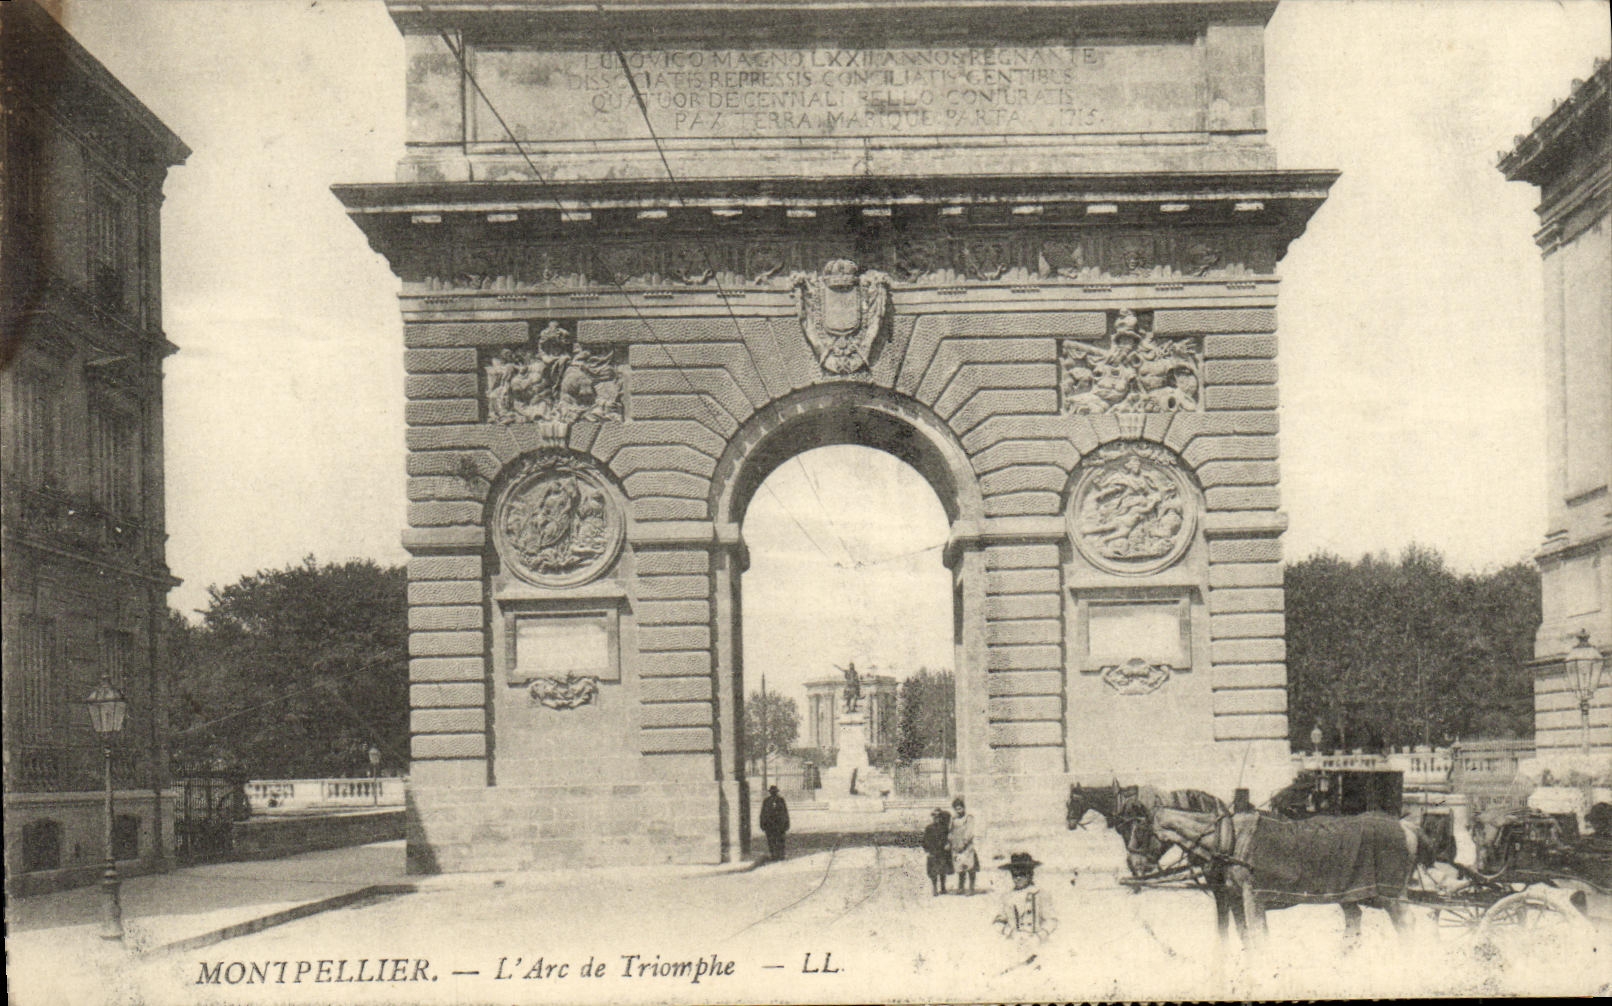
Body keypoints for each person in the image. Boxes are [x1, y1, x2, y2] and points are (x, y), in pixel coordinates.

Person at [994, 852, 1057, 943]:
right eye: (1014, 875)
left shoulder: (1039, 894)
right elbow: (998, 922)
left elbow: (1051, 920)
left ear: (1030, 874)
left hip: (1036, 942)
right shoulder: (1007, 897)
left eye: (1022, 874)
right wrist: (1011, 933)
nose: (1018, 878)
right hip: (1014, 942)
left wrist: (1040, 936)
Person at [949, 797, 979, 895]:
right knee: (960, 867)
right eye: (957, 809)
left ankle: (971, 888)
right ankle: (961, 887)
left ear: (963, 808)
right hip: (956, 846)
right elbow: (951, 831)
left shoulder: (968, 818)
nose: (959, 810)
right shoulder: (953, 819)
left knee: (970, 867)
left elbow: (969, 831)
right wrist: (951, 841)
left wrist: (964, 842)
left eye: (960, 808)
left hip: (966, 847)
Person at [922, 809, 953, 896]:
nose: (936, 818)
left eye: (938, 816)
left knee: (943, 870)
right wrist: (927, 850)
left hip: (942, 852)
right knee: (933, 871)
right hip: (933, 852)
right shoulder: (929, 828)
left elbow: (949, 838)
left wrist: (948, 844)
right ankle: (935, 887)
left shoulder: (944, 828)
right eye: (934, 816)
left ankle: (943, 887)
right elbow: (925, 840)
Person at [759, 785, 790, 861]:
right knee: (771, 841)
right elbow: (763, 813)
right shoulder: (766, 801)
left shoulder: (781, 800)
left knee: (780, 840)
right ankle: (774, 855)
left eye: (775, 792)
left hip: (779, 825)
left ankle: (780, 855)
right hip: (770, 825)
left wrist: (786, 824)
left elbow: (785, 813)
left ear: (776, 792)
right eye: (772, 792)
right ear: (770, 792)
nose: (773, 793)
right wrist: (762, 824)